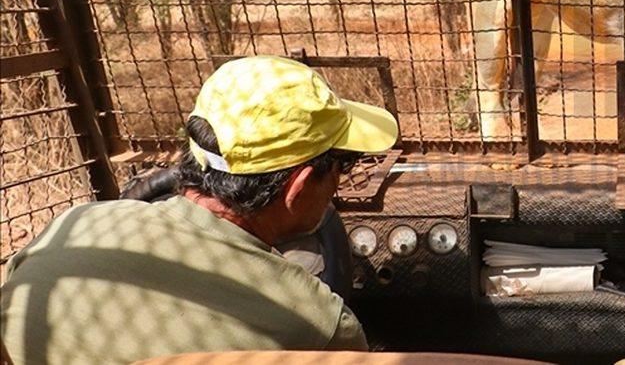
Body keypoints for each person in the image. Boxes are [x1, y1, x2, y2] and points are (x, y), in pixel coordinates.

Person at [1, 55, 398, 365]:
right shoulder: (315, 323)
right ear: (297, 186)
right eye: (341, 167)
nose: (340, 181)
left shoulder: (71, 228)